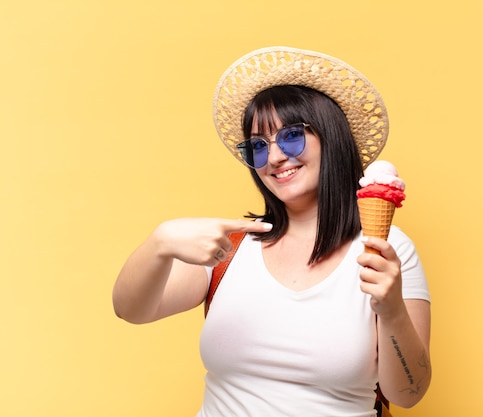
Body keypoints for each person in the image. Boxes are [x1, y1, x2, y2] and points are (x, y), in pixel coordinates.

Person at [113, 46, 431, 417]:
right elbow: (130, 310)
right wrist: (159, 243)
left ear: (332, 138)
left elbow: (409, 393)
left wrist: (392, 310)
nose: (276, 157)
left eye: (292, 135)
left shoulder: (386, 249)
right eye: (259, 146)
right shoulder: (231, 245)